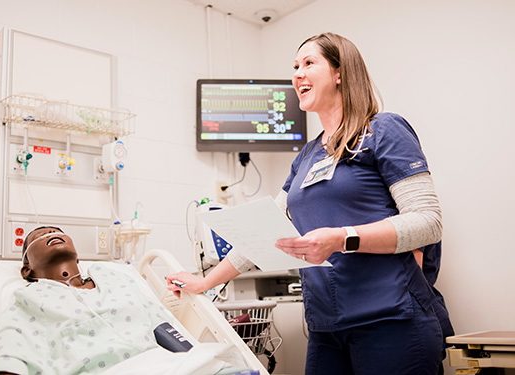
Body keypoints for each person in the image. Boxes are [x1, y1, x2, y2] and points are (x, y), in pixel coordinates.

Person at [167, 32, 452, 375]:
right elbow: (265, 232)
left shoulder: (382, 130)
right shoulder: (307, 156)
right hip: (326, 326)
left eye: (309, 63)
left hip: (390, 318)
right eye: (295, 66)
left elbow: (427, 221)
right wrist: (205, 282)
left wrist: (341, 238)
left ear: (339, 73)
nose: (297, 74)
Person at [0, 226, 172, 375]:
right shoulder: (33, 300)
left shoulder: (116, 279)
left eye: (57, 232)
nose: (51, 233)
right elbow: (7, 347)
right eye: (40, 235)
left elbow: (163, 325)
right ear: (27, 269)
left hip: (164, 365)